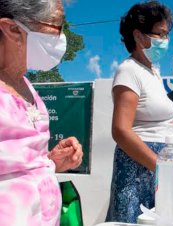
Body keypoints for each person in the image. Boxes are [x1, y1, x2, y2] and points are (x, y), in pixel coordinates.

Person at [0, 0, 83, 225]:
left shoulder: (26, 85)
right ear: (13, 29)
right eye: (55, 26)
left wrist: (51, 162)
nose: (61, 36)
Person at [106, 1, 173, 223]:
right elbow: (121, 131)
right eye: (160, 34)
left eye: (167, 34)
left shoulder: (153, 73)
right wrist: (161, 167)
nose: (166, 41)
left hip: (163, 163)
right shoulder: (129, 71)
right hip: (138, 166)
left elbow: (168, 123)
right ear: (139, 36)